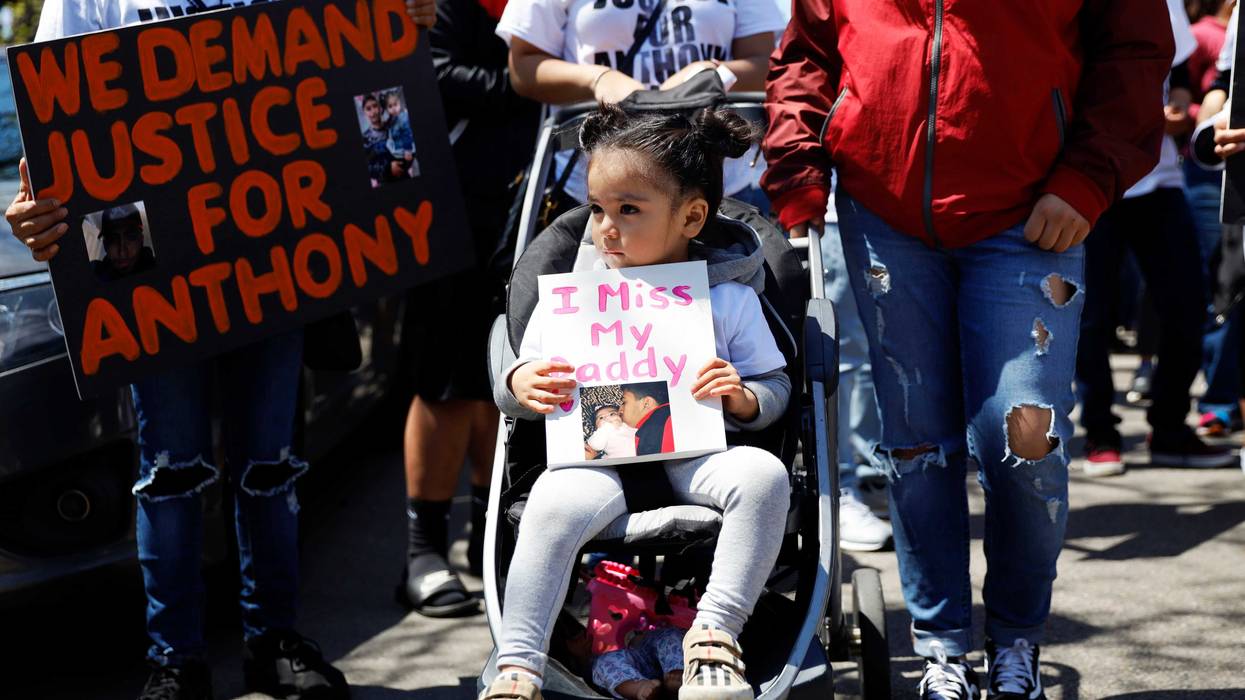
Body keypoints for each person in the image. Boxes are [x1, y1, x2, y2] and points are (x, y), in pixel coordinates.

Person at [5, 1, 438, 698]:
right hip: (149, 269)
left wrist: (408, 18)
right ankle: (175, 659)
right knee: (169, 473)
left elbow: (355, 60)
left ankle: (274, 641)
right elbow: (56, 121)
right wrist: (36, 212)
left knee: (271, 465)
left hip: (275, 252)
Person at [763, 2, 1174, 698]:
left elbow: (1133, 51)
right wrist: (798, 166)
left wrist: (1087, 178)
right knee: (916, 446)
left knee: (1026, 440)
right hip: (882, 211)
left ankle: (1016, 641)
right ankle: (941, 651)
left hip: (1035, 210)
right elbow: (807, 52)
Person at [479, 105, 791, 700]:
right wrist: (521, 384)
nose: (605, 228)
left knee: (765, 476)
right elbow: (520, 373)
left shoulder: (728, 300)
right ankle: (518, 662)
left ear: (691, 216)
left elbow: (775, 386)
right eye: (597, 208)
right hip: (593, 461)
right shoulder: (569, 300)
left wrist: (743, 398)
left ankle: (714, 636)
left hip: (700, 455)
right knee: (549, 502)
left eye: (628, 210)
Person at [398, 0, 541, 617]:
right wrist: (536, 78)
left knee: (502, 375)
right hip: (450, 204)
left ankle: (490, 534)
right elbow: (429, 70)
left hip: (537, 202)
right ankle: (423, 549)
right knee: (445, 381)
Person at [1076, 0, 1235, 476]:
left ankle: (1169, 428)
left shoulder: (1166, 4)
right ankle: (1100, 432)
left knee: (1187, 304)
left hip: (1159, 179)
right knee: (1091, 315)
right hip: (1087, 178)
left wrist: (1179, 107)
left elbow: (1180, 72)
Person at [495, 0, 786, 213]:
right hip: (597, 192)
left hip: (717, 184)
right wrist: (598, 79)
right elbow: (523, 66)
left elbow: (766, 63)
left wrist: (711, 73)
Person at [592, 627, 685, 700]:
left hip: (667, 664)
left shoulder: (657, 637)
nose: (634, 636)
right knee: (606, 661)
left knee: (670, 635)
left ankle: (676, 675)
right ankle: (638, 688)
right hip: (637, 674)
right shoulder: (628, 654)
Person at [92, 204, 156, 282]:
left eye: (131, 237)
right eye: (112, 239)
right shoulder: (96, 272)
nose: (122, 253)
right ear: (105, 245)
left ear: (141, 240)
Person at [621, 382, 674, 456]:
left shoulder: (654, 428)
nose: (620, 410)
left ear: (647, 403)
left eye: (624, 402)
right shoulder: (667, 417)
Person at [385, 90, 418, 175]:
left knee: (406, 161)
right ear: (387, 109)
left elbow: (407, 134)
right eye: (390, 106)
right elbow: (391, 126)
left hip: (406, 148)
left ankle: (409, 168)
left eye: (395, 104)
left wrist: (408, 150)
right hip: (398, 145)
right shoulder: (393, 118)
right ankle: (408, 167)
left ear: (399, 103)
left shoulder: (403, 118)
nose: (394, 108)